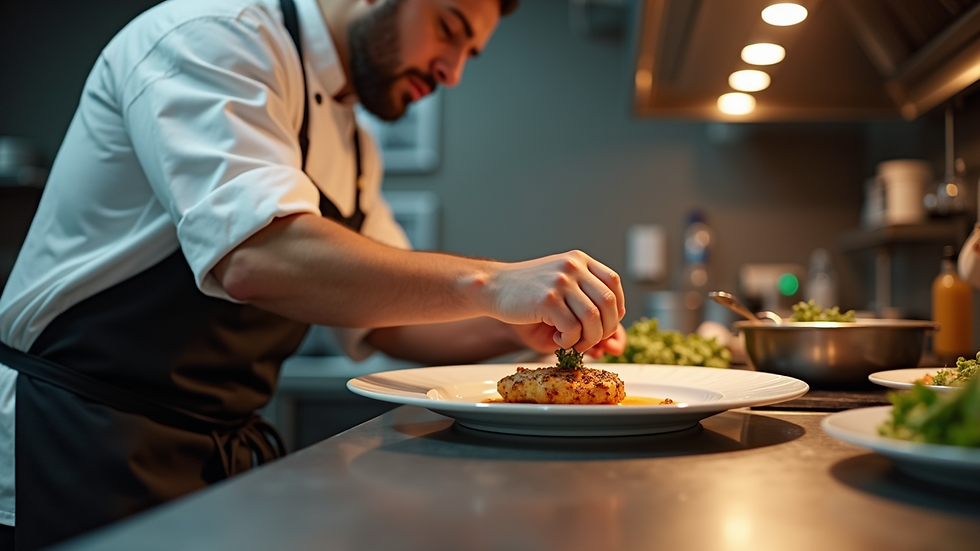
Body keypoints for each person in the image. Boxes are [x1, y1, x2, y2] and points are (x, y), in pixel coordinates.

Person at [0, 0, 627, 548]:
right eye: (448, 27)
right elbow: (255, 258)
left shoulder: (355, 148)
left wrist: (514, 329)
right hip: (74, 437)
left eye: (469, 52)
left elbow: (389, 321)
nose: (452, 70)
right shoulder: (214, 35)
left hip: (212, 453)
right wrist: (494, 284)